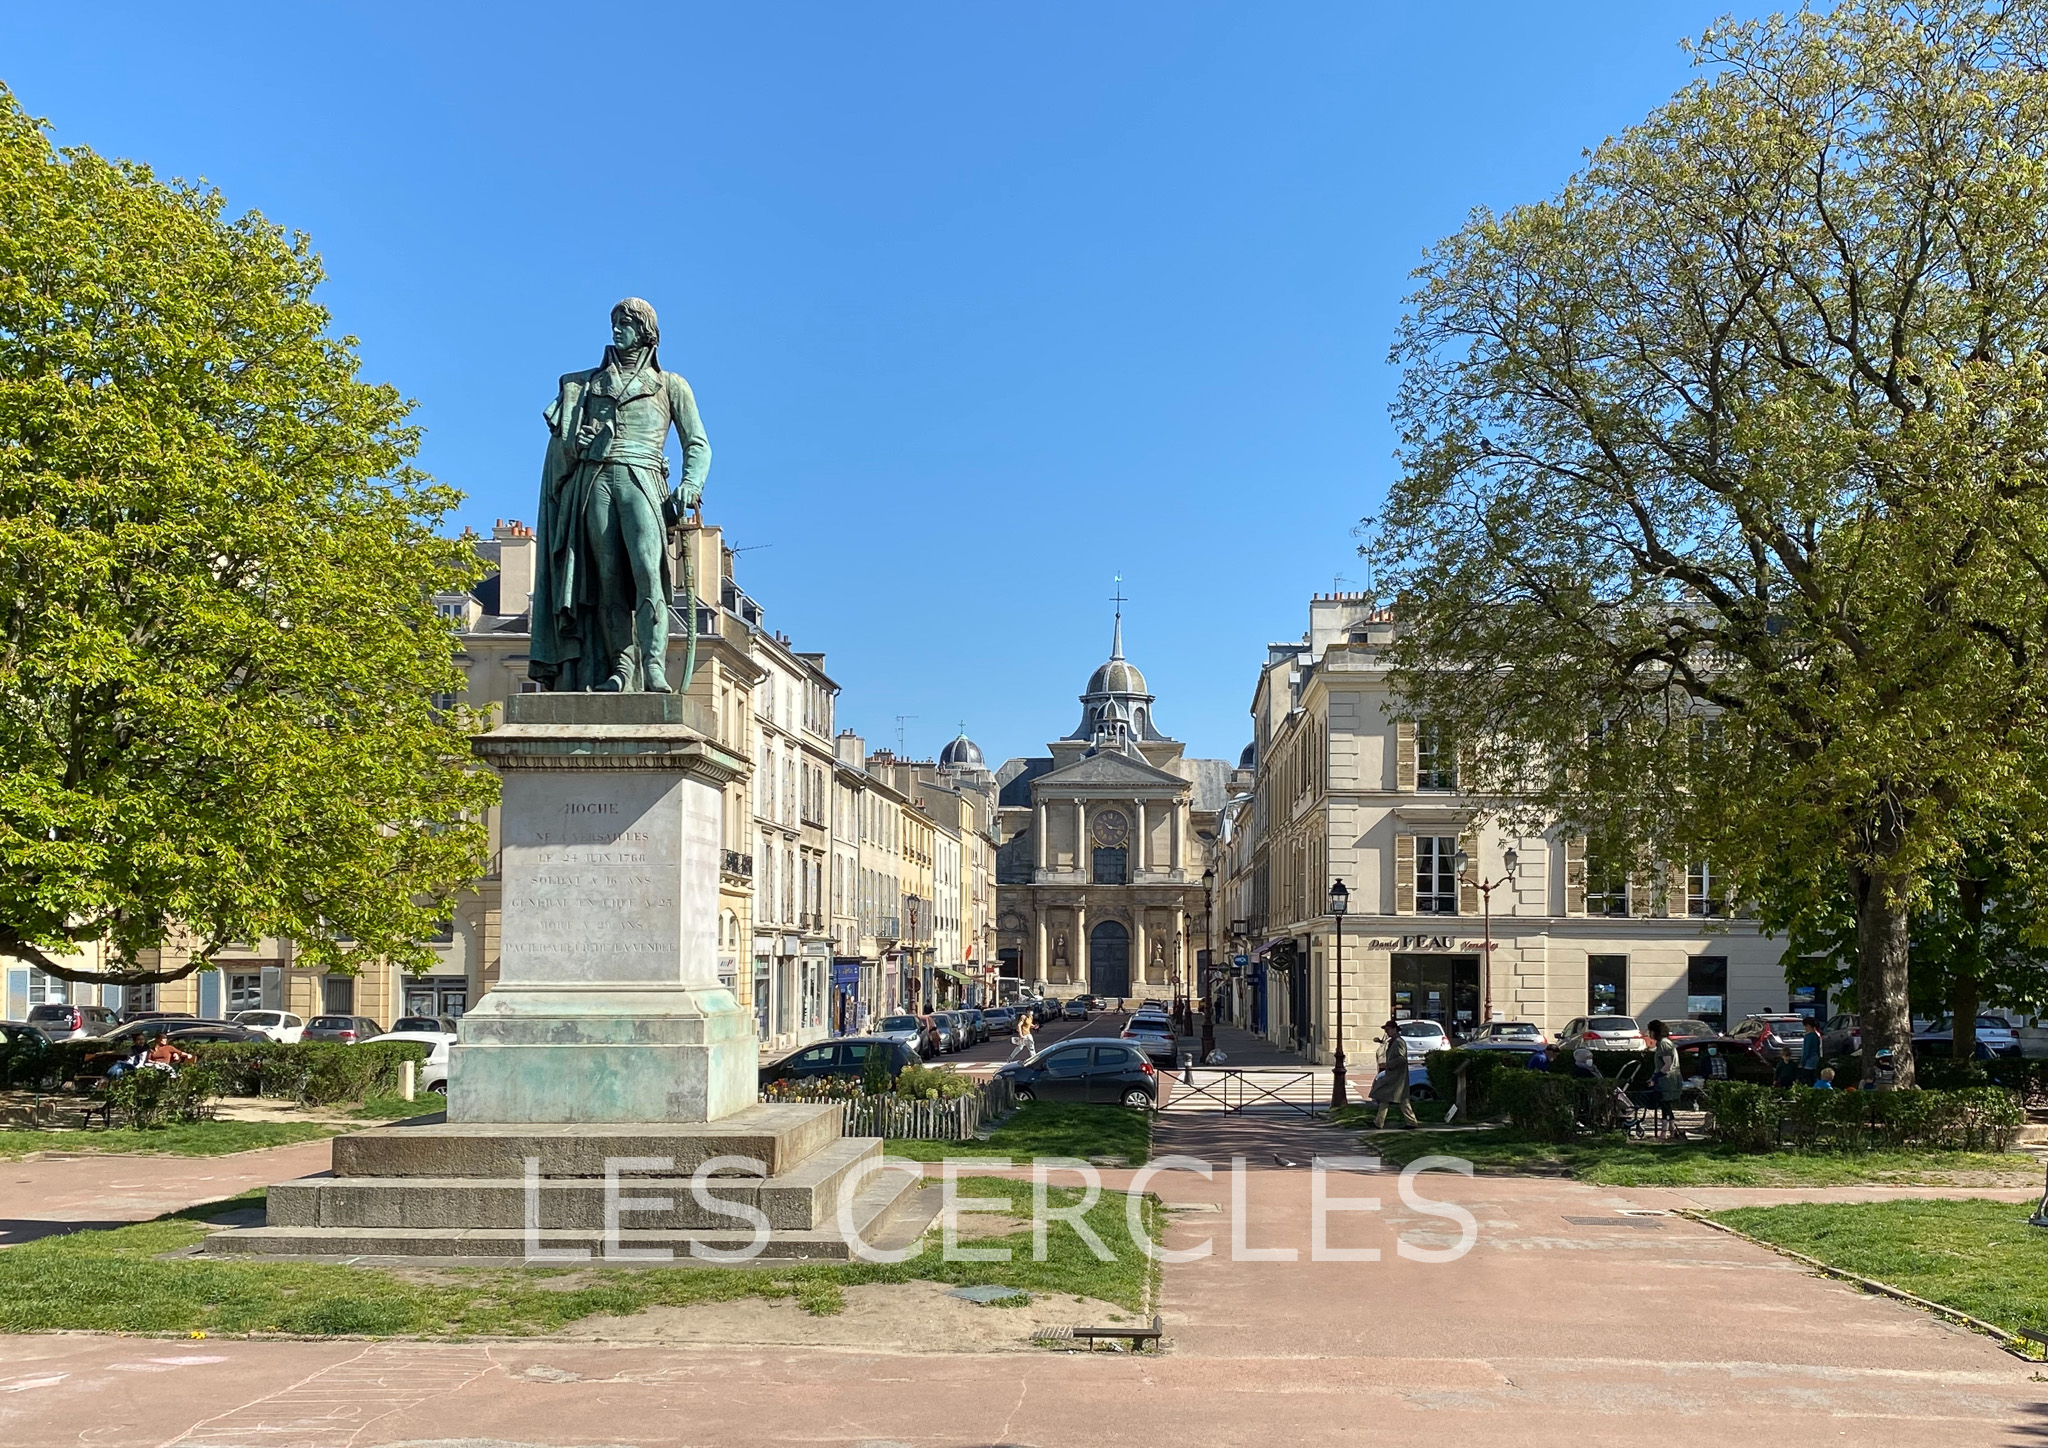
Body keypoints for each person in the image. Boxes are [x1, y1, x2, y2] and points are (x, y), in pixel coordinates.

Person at [1370, 1018, 1419, 1128]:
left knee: (1400, 1099)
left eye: (1388, 1029)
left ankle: (1411, 1122)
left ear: (1394, 1029)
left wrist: (1388, 1065)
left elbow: (1401, 1058)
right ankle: (1379, 1122)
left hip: (1397, 1077)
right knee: (1387, 1098)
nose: (1386, 1032)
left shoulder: (1398, 1042)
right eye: (1385, 1030)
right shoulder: (1393, 1041)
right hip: (1394, 1075)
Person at [1647, 1020, 1682, 1135]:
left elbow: (1667, 1063)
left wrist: (1655, 1078)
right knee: (1666, 1105)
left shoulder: (1664, 1043)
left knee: (1664, 1105)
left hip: (1667, 1079)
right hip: (1667, 1077)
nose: (1649, 1034)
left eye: (1650, 1031)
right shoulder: (1664, 1043)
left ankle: (1664, 1132)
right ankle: (1672, 1130)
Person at [1800, 1018, 1823, 1086]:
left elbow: (1806, 1051)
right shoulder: (1816, 1035)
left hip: (1808, 1061)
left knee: (1807, 1079)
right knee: (1813, 1077)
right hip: (1815, 1059)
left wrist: (1802, 1062)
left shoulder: (1808, 1036)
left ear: (1808, 1026)